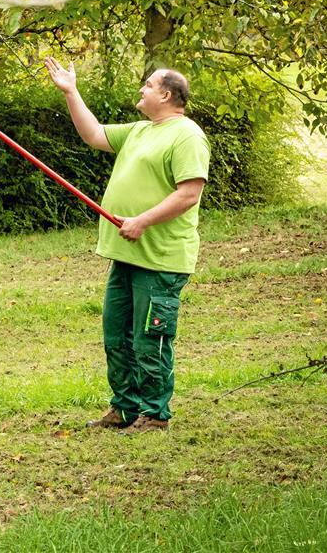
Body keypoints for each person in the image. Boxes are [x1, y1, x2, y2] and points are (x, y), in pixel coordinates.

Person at [45, 59, 210, 433]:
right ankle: (125, 408)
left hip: (160, 258)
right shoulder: (139, 131)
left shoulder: (187, 136)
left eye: (148, 85)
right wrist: (71, 92)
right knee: (117, 335)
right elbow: (94, 135)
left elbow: (189, 194)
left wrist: (143, 221)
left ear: (166, 95)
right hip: (125, 256)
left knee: (150, 338)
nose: (142, 89)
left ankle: (154, 414)